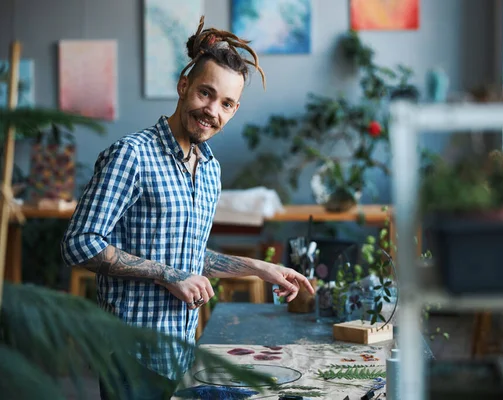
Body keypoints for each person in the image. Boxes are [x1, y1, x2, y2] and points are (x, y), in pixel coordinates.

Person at [61, 16, 314, 400]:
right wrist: (167, 275)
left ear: (234, 109)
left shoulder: (209, 169)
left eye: (226, 103)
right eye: (205, 94)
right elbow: (79, 243)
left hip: (179, 350)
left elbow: (189, 256)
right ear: (184, 86)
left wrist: (260, 269)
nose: (213, 110)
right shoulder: (132, 155)